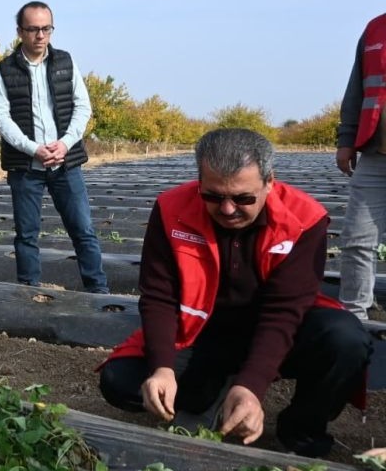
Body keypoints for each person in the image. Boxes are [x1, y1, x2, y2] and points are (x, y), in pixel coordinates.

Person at [98, 128, 373, 458]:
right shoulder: (172, 209)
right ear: (199, 181)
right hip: (206, 329)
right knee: (121, 381)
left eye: (243, 198)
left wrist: (252, 386)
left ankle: (300, 428)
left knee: (346, 340)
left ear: (269, 182)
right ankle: (210, 392)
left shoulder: (304, 218)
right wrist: (162, 368)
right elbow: (159, 296)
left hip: (282, 332)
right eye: (213, 196)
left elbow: (283, 312)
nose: (227, 209)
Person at [0, 1, 108, 294]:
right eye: (33, 29)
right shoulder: (5, 70)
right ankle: (29, 291)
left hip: (65, 164)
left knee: (83, 230)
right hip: (26, 167)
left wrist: (66, 144)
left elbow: (83, 107)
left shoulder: (65, 62)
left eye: (46, 28)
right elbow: (1, 118)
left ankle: (98, 290)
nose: (40, 35)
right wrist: (32, 149)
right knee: (27, 234)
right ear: (20, 31)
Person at [335, 11, 386, 321]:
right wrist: (346, 138)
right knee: (356, 239)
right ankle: (354, 314)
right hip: (375, 153)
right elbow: (356, 89)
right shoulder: (375, 29)